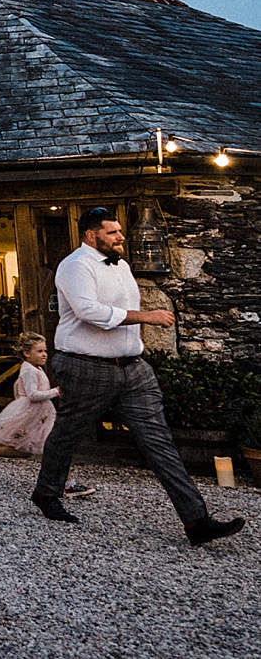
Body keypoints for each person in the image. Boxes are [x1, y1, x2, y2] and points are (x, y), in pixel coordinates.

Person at [31, 208, 243, 544]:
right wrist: (148, 316)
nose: (121, 236)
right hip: (87, 367)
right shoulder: (75, 266)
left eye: (119, 231)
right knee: (68, 434)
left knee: (159, 441)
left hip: (134, 369)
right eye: (112, 232)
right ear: (91, 235)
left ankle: (196, 522)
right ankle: (46, 493)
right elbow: (89, 312)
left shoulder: (123, 265)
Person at [0, 332, 95, 498]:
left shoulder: (34, 368)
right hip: (34, 414)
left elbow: (19, 389)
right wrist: (55, 392)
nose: (44, 354)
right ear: (27, 353)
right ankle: (69, 484)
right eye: (39, 351)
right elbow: (32, 394)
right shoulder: (29, 370)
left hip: (41, 415)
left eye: (45, 350)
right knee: (53, 448)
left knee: (26, 451)